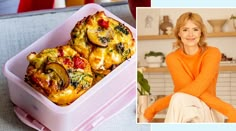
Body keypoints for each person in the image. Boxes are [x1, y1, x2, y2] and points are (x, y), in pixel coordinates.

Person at [144, 12, 236, 123]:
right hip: (184, 106)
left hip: (209, 107)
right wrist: (229, 110)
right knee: (180, 99)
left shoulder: (212, 53)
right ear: (179, 33)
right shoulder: (172, 58)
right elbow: (191, 90)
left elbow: (197, 89)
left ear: (201, 32)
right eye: (185, 30)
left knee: (178, 98)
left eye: (195, 29)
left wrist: (153, 109)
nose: (190, 34)